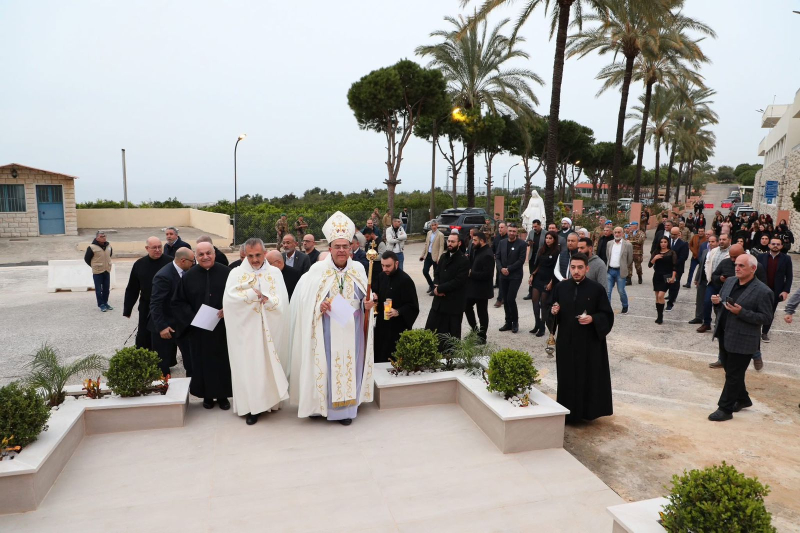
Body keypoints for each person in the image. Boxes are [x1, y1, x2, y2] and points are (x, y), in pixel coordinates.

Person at [289, 212, 377, 425]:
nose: (341, 250)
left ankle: (345, 410)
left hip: (352, 328)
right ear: (330, 248)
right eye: (337, 246)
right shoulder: (318, 270)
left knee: (349, 366)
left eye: (345, 246)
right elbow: (305, 301)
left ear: (351, 248)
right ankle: (318, 406)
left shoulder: (358, 269)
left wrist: (367, 304)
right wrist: (319, 306)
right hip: (325, 329)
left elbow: (363, 298)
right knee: (324, 366)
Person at [223, 238, 290, 426]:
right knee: (250, 368)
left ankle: (271, 402)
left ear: (265, 253)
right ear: (245, 254)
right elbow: (229, 301)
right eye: (250, 256)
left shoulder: (275, 273)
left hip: (271, 327)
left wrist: (267, 299)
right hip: (247, 331)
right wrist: (252, 295)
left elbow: (283, 301)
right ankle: (253, 407)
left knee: (269, 366)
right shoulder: (236, 273)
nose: (254, 260)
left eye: (258, 255)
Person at [708, 254, 773, 422]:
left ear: (753, 269)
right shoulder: (730, 281)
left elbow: (766, 318)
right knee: (731, 371)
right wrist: (717, 302)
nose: (737, 268)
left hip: (744, 339)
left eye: (741, 266)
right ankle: (743, 399)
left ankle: (725, 409)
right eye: (736, 265)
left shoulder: (763, 291)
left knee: (733, 375)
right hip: (725, 334)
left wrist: (742, 312)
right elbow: (723, 306)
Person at [551, 253, 614, 423]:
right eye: (573, 267)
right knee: (566, 377)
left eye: (580, 267)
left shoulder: (597, 289)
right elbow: (552, 308)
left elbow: (607, 315)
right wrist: (554, 311)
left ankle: (587, 413)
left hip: (588, 343)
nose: (576, 271)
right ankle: (567, 412)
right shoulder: (561, 288)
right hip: (566, 341)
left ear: (587, 268)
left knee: (587, 377)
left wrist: (593, 318)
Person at [173, 242, 232, 410]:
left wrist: (228, 308)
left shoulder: (227, 273)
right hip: (198, 330)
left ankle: (223, 396)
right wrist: (194, 318)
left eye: (208, 253)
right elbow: (178, 302)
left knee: (222, 362)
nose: (205, 257)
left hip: (223, 329)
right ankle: (207, 396)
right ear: (196, 257)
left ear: (214, 254)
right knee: (202, 363)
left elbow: (237, 297)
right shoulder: (188, 276)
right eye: (201, 254)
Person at [149, 247, 196, 376]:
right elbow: (155, 303)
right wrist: (162, 327)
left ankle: (193, 383)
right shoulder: (163, 276)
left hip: (181, 324)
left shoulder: (187, 272)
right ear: (183, 261)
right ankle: (163, 384)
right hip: (166, 326)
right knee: (162, 363)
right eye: (192, 261)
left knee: (190, 358)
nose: (194, 264)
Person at [123, 237, 173, 349]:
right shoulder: (139, 264)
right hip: (146, 305)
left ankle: (165, 359)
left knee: (165, 334)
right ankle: (145, 356)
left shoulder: (170, 262)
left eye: (159, 247)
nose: (157, 250)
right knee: (144, 334)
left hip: (166, 305)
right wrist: (127, 309)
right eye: (154, 247)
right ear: (147, 248)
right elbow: (132, 288)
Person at [425, 233, 470, 352]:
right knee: (431, 329)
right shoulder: (444, 257)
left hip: (453, 303)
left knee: (451, 336)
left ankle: (451, 358)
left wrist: (440, 289)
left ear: (459, 243)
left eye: (452, 242)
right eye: (448, 241)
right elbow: (437, 273)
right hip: (439, 302)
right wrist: (436, 286)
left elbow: (458, 281)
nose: (449, 244)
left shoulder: (463, 260)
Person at [374, 251, 419, 363]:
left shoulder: (405, 280)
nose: (385, 269)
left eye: (388, 266)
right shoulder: (381, 276)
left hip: (397, 328)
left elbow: (413, 306)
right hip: (382, 326)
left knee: (395, 359)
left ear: (397, 263)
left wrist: (398, 311)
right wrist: (375, 296)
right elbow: (376, 291)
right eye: (383, 265)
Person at [756, 237, 793, 342]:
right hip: (760, 289)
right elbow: (755, 272)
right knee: (756, 310)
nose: (775, 246)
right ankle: (755, 331)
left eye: (778, 244)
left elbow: (789, 276)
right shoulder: (761, 257)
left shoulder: (786, 259)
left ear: (781, 246)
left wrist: (786, 291)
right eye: (773, 244)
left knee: (770, 312)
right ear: (769, 245)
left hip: (775, 291)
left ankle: (764, 333)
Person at [495, 223, 528, 334]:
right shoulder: (502, 242)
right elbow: (497, 257)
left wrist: (509, 269)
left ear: (517, 232)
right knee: (505, 298)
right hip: (503, 275)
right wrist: (501, 269)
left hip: (515, 276)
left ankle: (515, 322)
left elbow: (521, 260)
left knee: (510, 298)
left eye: (514, 231)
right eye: (510, 231)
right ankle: (508, 322)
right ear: (507, 231)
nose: (512, 233)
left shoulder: (522, 244)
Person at [698, 233, 731, 333]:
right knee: (707, 302)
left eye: (724, 239)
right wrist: (708, 276)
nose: (721, 241)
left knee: (723, 305)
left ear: (729, 240)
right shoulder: (714, 251)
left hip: (726, 284)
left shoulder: (732, 252)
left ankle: (720, 325)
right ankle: (706, 323)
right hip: (713, 282)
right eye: (720, 239)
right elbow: (707, 264)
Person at [465, 231, 495, 343]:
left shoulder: (487, 254)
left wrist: (471, 273)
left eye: (475, 240)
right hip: (473, 287)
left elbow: (488, 274)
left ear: (482, 241)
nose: (473, 242)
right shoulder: (476, 250)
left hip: (482, 289)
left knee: (482, 312)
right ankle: (474, 331)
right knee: (466, 306)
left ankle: (482, 337)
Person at [529, 231, 559, 337]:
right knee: (534, 301)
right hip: (538, 278)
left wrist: (551, 282)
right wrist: (532, 275)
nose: (548, 240)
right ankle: (537, 323)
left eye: (550, 238)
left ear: (554, 240)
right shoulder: (542, 249)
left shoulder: (557, 252)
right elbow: (538, 264)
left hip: (548, 279)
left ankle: (542, 326)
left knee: (544, 304)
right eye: (547, 238)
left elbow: (556, 268)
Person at [689, 234, 717, 326]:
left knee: (713, 301)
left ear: (717, 243)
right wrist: (697, 278)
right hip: (703, 279)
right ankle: (698, 317)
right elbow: (701, 266)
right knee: (700, 300)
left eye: (713, 241)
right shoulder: (705, 251)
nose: (711, 243)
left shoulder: (719, 253)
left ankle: (717, 320)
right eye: (709, 241)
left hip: (714, 281)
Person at [648, 237, 677, 324]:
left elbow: (675, 266)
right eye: (661, 242)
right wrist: (655, 258)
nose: (663, 244)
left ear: (668, 243)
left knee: (661, 295)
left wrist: (673, 277)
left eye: (665, 242)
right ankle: (659, 316)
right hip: (657, 276)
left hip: (667, 276)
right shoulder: (656, 252)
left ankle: (660, 316)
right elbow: (649, 265)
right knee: (657, 297)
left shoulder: (672, 253)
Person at [84, 230, 114, 312]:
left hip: (106, 270)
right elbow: (87, 259)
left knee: (106, 289)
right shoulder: (91, 247)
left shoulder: (108, 246)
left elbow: (109, 255)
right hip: (97, 272)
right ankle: (101, 304)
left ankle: (105, 302)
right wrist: (94, 266)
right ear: (97, 238)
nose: (104, 238)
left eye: (104, 236)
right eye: (101, 236)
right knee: (98, 290)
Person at [606, 227, 632, 314]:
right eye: (615, 232)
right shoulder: (609, 243)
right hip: (610, 270)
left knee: (621, 291)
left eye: (619, 232)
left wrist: (624, 266)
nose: (617, 234)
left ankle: (625, 305)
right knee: (608, 291)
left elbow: (629, 259)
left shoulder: (627, 245)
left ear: (622, 233)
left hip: (620, 271)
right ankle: (607, 308)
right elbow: (607, 255)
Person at [666, 227, 689, 311]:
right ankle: (669, 296)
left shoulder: (683, 244)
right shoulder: (667, 242)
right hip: (667, 268)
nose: (672, 236)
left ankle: (671, 301)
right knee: (668, 283)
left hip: (677, 268)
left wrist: (673, 263)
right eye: (671, 234)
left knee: (674, 284)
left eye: (674, 234)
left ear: (678, 234)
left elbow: (684, 257)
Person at [420, 221, 444, 295]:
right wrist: (423, 254)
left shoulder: (440, 235)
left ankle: (435, 289)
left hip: (435, 256)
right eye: (432, 225)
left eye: (435, 225)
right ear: (430, 226)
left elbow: (441, 247)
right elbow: (426, 244)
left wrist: (439, 257)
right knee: (425, 271)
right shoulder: (429, 233)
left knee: (435, 273)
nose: (434, 226)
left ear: (437, 225)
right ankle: (431, 285)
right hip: (428, 255)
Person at [524, 219, 545, 300]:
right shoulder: (531, 232)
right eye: (533, 227)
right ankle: (531, 293)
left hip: (541, 257)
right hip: (532, 256)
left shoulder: (545, 233)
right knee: (531, 274)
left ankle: (539, 293)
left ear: (540, 225)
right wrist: (529, 243)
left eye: (536, 226)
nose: (534, 228)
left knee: (539, 275)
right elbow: (527, 242)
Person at [491, 222, 508, 302]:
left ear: (506, 228)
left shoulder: (508, 238)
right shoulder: (497, 238)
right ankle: (500, 295)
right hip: (498, 260)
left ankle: (502, 297)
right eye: (499, 227)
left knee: (503, 278)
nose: (500, 229)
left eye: (502, 227)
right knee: (499, 276)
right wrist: (493, 254)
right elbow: (493, 247)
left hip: (506, 260)